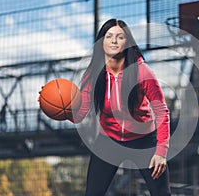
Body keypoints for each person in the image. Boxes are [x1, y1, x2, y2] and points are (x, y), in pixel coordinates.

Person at [69, 18, 171, 195]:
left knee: (162, 193)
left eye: (120, 37)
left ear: (127, 43)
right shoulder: (93, 74)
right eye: (109, 37)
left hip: (144, 138)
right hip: (109, 139)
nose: (114, 41)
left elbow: (161, 111)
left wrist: (161, 152)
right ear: (101, 42)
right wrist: (62, 110)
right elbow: (80, 113)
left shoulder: (142, 71)